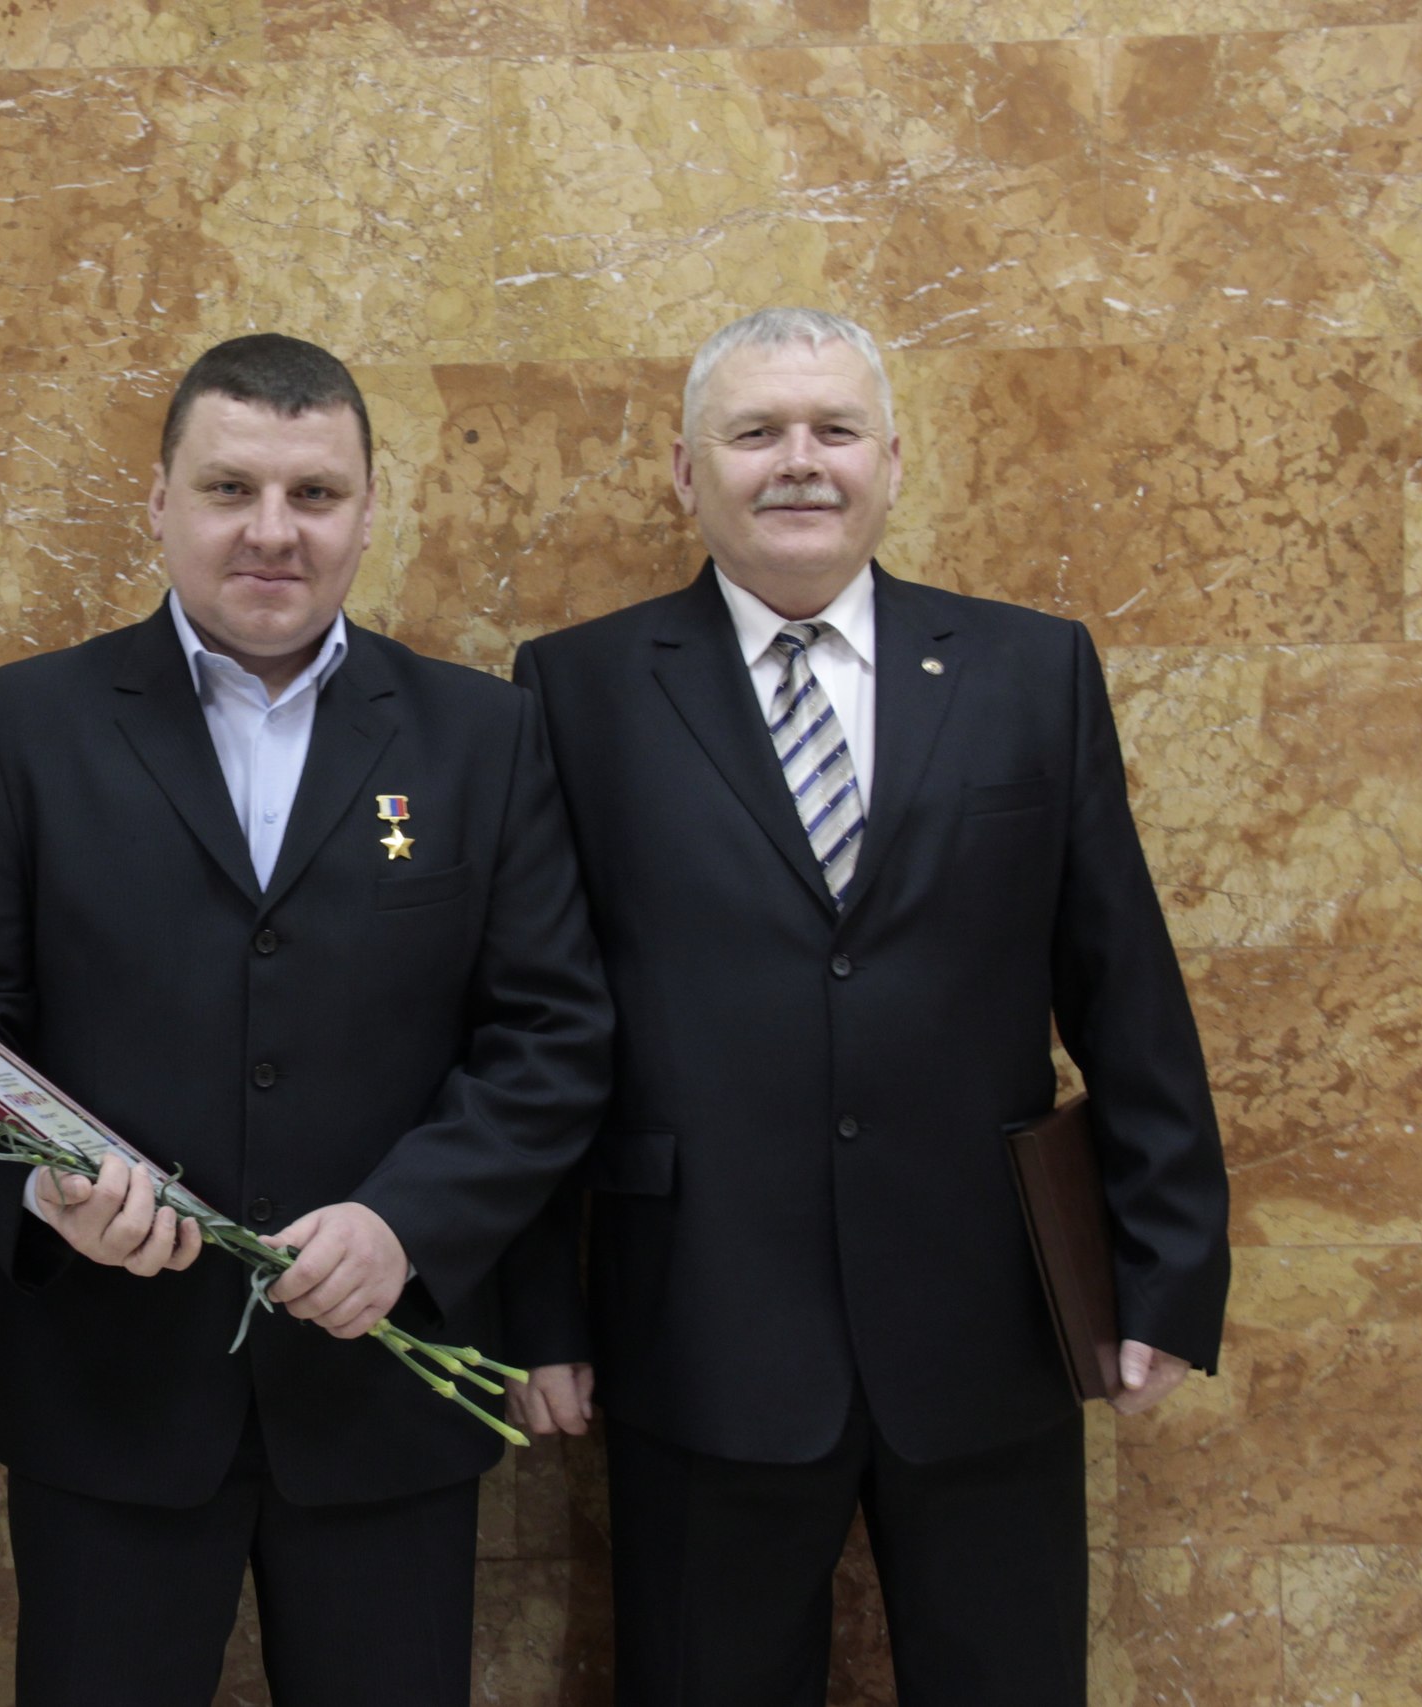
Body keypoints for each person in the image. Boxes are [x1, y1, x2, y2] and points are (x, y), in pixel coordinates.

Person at [504, 307, 1232, 1704]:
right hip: (699, 1331)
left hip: (991, 1328)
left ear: (891, 463)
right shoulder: (575, 689)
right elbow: (541, 1021)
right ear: (687, 472)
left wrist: (1168, 1269)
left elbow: (1124, 986)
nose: (800, 460)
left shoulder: (1033, 671)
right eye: (756, 431)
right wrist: (538, 1307)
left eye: (835, 429)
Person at [0, 333, 612, 1707]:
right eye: (231, 489)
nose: (273, 532)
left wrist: (408, 1222)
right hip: (111, 1400)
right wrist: (43, 1195)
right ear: (160, 502)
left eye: (314, 494)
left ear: (369, 511)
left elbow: (549, 1037)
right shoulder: (27, 726)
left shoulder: (481, 737)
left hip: (382, 1401)